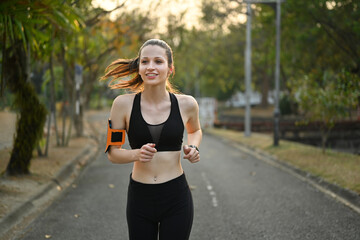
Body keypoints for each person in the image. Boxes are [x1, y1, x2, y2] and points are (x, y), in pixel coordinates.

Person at [101, 39, 202, 240]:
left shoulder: (187, 104)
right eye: (145, 61)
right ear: (138, 68)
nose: (151, 67)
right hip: (140, 198)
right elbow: (113, 153)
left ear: (170, 68)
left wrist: (192, 147)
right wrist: (136, 153)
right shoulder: (122, 104)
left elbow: (196, 130)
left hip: (176, 196)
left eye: (158, 61)